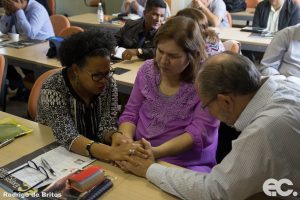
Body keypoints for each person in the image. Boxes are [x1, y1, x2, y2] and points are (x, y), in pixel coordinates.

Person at [119, 52, 300, 200]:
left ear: (225, 101)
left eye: (206, 105)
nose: (209, 113)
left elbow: (217, 191)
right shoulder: (285, 85)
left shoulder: (264, 130)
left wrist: (150, 169)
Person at [117, 16, 220, 173]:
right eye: (160, 51)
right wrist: (127, 141)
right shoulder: (147, 70)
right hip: (140, 153)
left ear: (192, 55)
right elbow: (130, 114)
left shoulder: (207, 81)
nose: (163, 61)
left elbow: (199, 132)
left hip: (185, 165)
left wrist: (155, 152)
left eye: (173, 56)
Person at [36, 30, 148, 161]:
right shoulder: (53, 87)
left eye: (107, 73)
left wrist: (114, 135)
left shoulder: (109, 83)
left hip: (93, 153)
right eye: (97, 75)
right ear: (76, 70)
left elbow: (106, 125)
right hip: (55, 152)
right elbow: (67, 136)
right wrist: (110, 153)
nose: (104, 80)